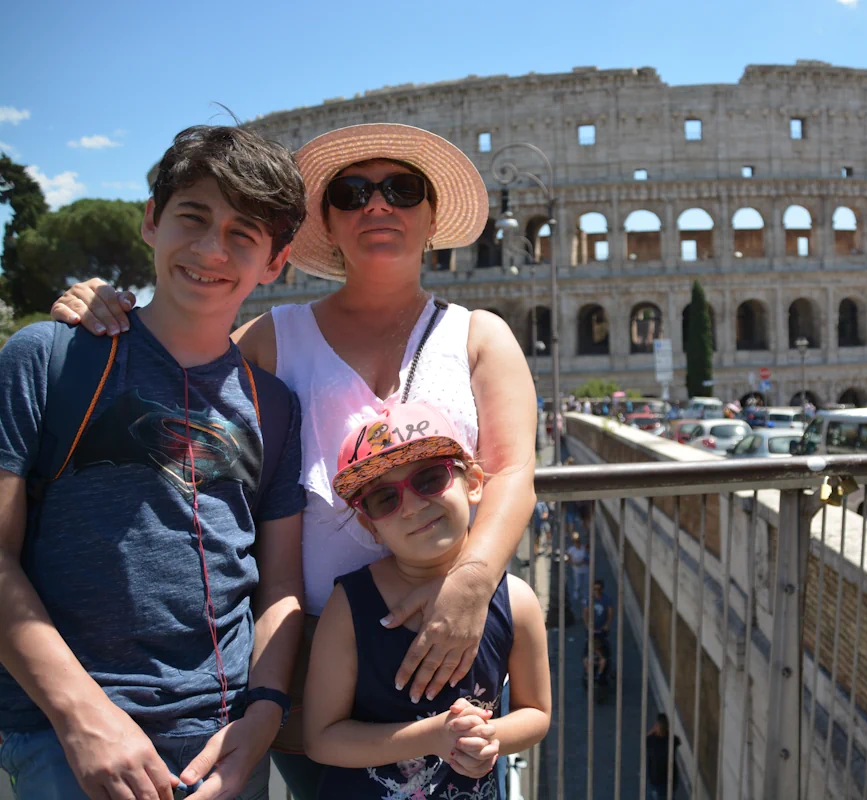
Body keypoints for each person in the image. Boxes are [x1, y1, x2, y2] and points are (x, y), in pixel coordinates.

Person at [50, 122, 537, 798]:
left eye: (401, 190)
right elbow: (177, 360)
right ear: (327, 224)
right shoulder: (271, 339)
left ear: (431, 218)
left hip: (449, 636)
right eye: (352, 192)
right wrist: (99, 305)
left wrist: (473, 582)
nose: (378, 206)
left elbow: (513, 471)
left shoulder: (482, 337)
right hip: (313, 660)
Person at [0, 125, 308, 799]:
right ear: (150, 221)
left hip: (222, 746)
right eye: (192, 219)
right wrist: (83, 718)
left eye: (242, 235)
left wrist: (260, 719)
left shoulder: (277, 405)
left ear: (275, 261)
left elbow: (279, 587)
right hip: (67, 736)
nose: (209, 250)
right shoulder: (48, 359)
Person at [305, 401, 551, 798]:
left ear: (472, 482)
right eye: (385, 498)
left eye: (430, 478)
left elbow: (536, 713)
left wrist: (490, 737)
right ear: (371, 526)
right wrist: (434, 737)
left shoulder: (516, 601)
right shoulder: (349, 606)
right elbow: (320, 739)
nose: (414, 506)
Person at [645, 713, 680, 800]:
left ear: (656, 726)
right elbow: (678, 740)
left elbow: (646, 738)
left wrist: (653, 730)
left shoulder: (651, 741)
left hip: (655, 780)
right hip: (670, 780)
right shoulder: (673, 741)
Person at [566, 532, 590, 614]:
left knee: (586, 584)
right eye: (576, 542)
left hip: (585, 570)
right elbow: (568, 559)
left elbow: (587, 557)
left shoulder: (584, 548)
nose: (577, 543)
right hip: (577, 570)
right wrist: (573, 563)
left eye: (578, 542)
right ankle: (576, 592)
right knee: (578, 583)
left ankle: (585, 597)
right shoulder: (571, 550)